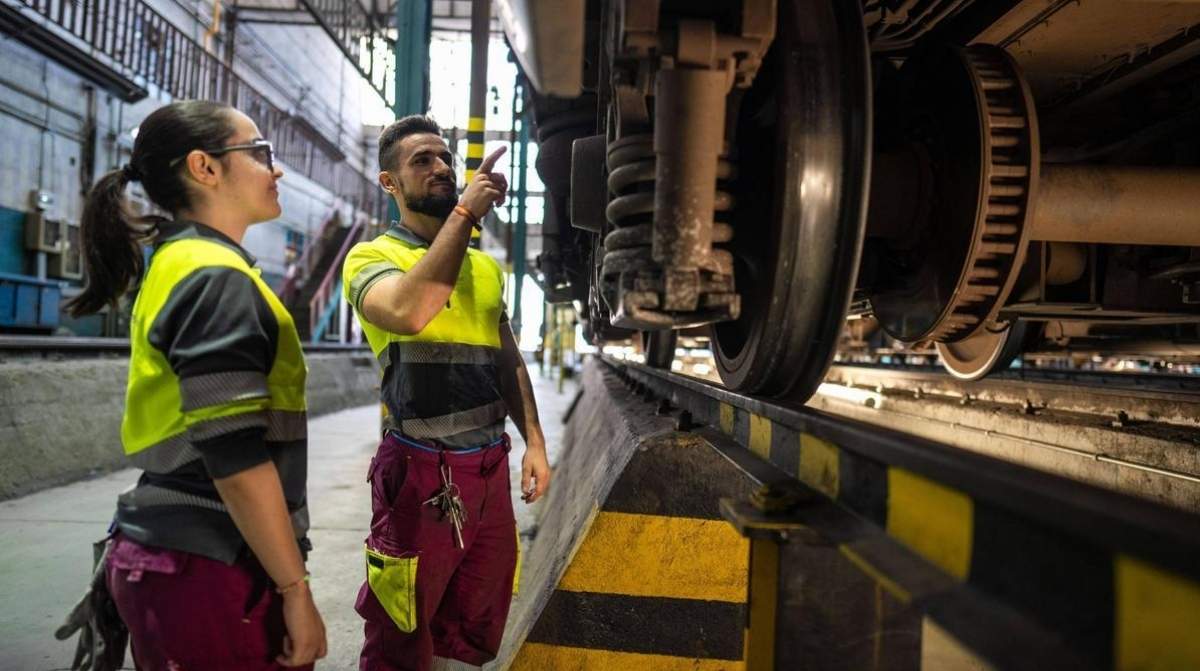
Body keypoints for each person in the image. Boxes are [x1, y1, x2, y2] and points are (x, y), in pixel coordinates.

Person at [66, 100, 326, 670]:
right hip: (206, 561)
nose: (275, 169)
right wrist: (295, 589)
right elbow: (232, 455)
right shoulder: (215, 278)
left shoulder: (180, 261)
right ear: (205, 167)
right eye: (260, 154)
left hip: (176, 550)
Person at [342, 115, 552, 671]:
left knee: (473, 625)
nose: (440, 168)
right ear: (389, 183)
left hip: (488, 473)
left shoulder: (484, 268)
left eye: (444, 158)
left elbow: (507, 360)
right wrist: (465, 213)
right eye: (421, 161)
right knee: (401, 629)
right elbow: (408, 312)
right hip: (419, 475)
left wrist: (534, 441)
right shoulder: (372, 259)